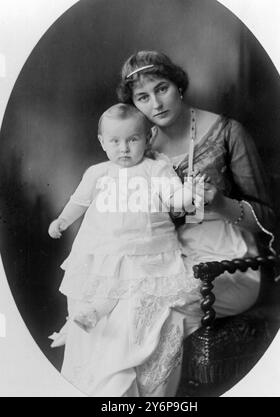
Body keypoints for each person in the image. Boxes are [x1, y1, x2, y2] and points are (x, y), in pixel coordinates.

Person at [117, 49, 275, 384]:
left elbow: (269, 217)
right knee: (120, 311)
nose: (156, 104)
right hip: (170, 260)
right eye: (143, 97)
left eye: (162, 89)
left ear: (179, 85)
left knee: (152, 310)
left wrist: (221, 204)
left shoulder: (228, 132)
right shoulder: (140, 148)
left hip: (229, 262)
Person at [48, 103, 204, 396]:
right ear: (101, 142)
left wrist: (188, 195)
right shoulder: (97, 173)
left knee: (136, 290)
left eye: (133, 139)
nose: (124, 148)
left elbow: (174, 199)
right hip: (105, 250)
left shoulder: (156, 168)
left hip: (149, 251)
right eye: (115, 141)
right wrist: (62, 220)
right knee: (107, 282)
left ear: (149, 137)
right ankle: (93, 312)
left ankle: (102, 315)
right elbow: (78, 202)